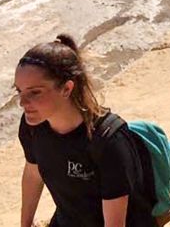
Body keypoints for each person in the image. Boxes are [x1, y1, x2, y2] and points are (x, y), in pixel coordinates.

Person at [16, 35, 155, 227]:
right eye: (19, 91)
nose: (22, 103)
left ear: (66, 88)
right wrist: (25, 224)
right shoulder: (33, 126)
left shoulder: (108, 141)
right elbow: (33, 172)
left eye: (35, 92)